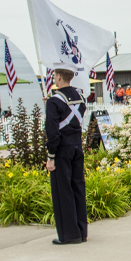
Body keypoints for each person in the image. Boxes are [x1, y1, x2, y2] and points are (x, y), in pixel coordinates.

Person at [46, 67, 87, 244]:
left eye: (55, 76)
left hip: (62, 149)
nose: (54, 78)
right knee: (78, 188)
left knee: (63, 191)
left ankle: (69, 235)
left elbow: (53, 132)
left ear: (59, 77)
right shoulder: (80, 99)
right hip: (77, 147)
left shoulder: (54, 101)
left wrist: (51, 155)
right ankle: (81, 231)